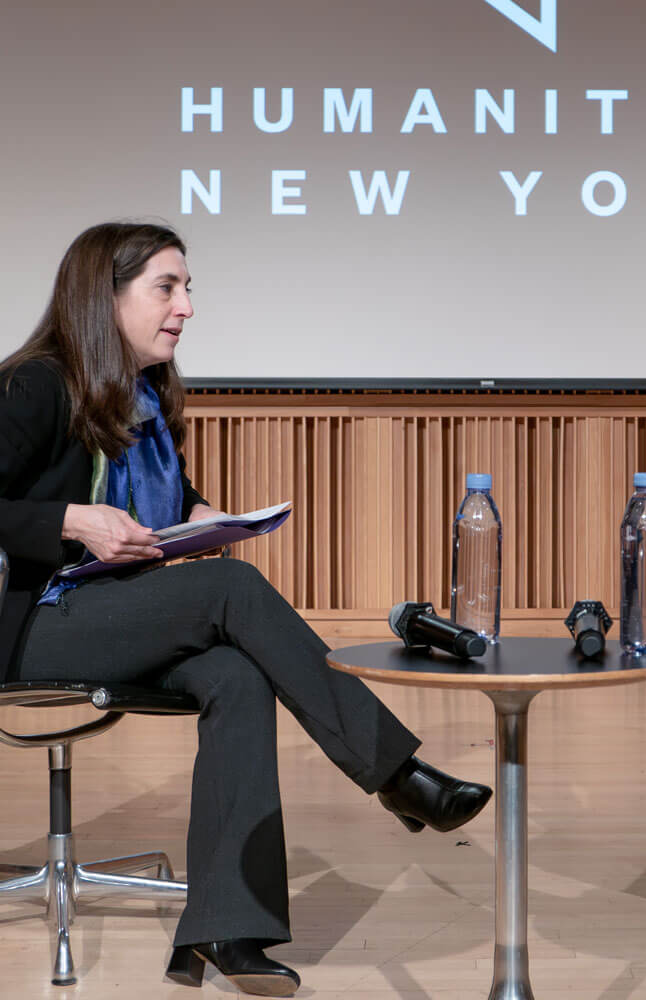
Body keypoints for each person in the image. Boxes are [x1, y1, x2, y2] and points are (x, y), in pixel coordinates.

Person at [0, 222, 492, 997]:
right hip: (36, 626)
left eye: (188, 288)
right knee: (232, 593)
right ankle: (396, 773)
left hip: (114, 614)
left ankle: (228, 928)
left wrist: (203, 515)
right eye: (168, 286)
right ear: (107, 295)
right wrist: (69, 519)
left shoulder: (147, 392)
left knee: (234, 672)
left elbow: (159, 502)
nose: (186, 306)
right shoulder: (34, 383)